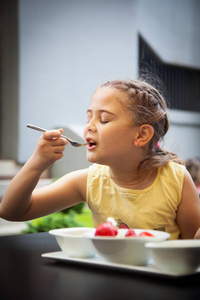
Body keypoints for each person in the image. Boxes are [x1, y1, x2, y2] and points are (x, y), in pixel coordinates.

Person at [0, 79, 200, 240]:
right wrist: (36, 164)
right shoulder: (88, 181)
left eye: (103, 119)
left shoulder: (176, 180)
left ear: (141, 135)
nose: (89, 126)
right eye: (89, 118)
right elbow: (12, 211)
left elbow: (191, 246)